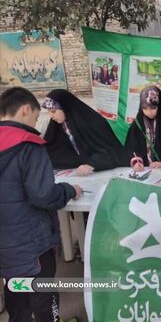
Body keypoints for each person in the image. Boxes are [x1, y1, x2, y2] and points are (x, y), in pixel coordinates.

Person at [0, 87, 82, 321]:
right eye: (37, 117)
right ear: (26, 109)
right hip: (32, 242)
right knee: (42, 294)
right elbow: (43, 195)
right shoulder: (28, 144)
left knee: (16, 293)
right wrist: (68, 190)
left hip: (5, 244)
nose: (37, 123)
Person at [42, 89, 125, 175]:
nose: (51, 116)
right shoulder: (59, 124)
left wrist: (91, 165)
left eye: (53, 111)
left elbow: (110, 151)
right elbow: (53, 148)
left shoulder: (93, 122)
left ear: (66, 108)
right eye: (48, 111)